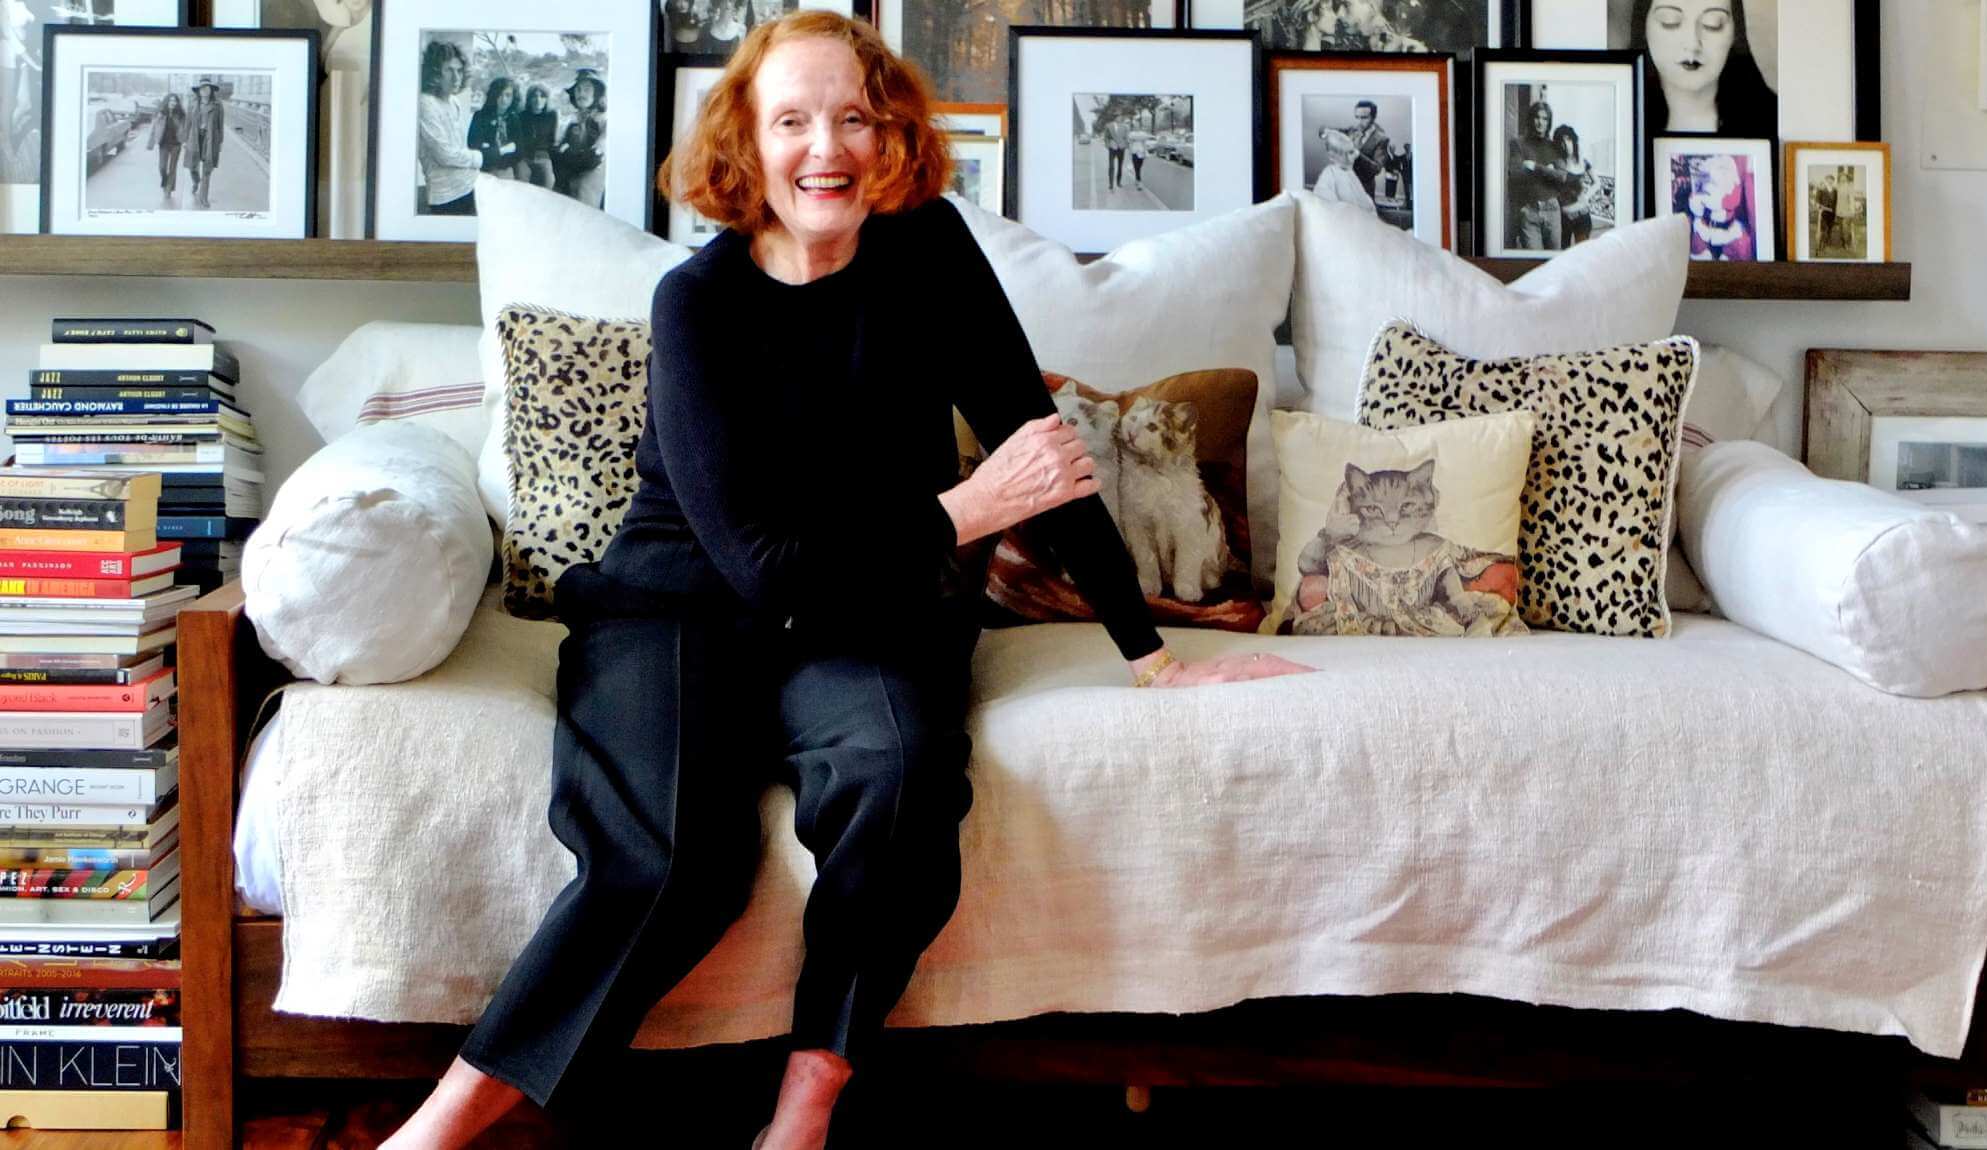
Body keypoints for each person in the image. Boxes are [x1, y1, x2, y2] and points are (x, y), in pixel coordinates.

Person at [375, 13, 1310, 1150]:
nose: (829, 146)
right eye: (793, 120)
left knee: (899, 768)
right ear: (746, 144)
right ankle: (441, 1124)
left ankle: (806, 1101)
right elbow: (766, 566)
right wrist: (967, 512)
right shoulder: (700, 302)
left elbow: (1040, 453)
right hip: (682, 602)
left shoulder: (929, 251)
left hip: (874, 607)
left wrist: (1149, 655)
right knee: (677, 855)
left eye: (855, 116)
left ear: (893, 132)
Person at [1632, 0, 1776, 136]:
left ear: (1736, 33)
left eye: (1713, 23)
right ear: (1643, 27)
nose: (1692, 44)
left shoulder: (1775, 120)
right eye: (1670, 21)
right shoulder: (1621, 119)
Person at [417, 40, 482, 215]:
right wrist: (478, 157)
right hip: (445, 196)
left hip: (470, 185)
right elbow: (445, 155)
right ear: (435, 73)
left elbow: (459, 148)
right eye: (449, 70)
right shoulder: (425, 103)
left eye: (459, 71)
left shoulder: (455, 101)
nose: (456, 77)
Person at [1506, 98, 1574, 251]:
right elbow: (1515, 174)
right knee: (1533, 262)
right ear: (1531, 119)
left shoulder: (1554, 146)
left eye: (1545, 119)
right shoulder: (1518, 144)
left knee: (1554, 262)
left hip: (1552, 210)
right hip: (1529, 211)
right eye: (1537, 117)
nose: (1540, 122)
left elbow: (1562, 177)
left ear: (1549, 122)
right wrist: (1550, 171)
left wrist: (1535, 167)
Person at [555, 67, 607, 209]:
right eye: (578, 90)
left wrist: (571, 154)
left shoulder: (603, 120)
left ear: (596, 93)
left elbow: (596, 155)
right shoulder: (570, 120)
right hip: (569, 177)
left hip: (591, 179)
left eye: (587, 89)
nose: (581, 94)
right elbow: (559, 148)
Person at [467, 77, 521, 180]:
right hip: (484, 169)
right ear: (493, 95)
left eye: (508, 95)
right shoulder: (480, 116)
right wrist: (503, 150)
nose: (503, 99)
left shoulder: (514, 118)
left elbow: (519, 149)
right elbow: (474, 146)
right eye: (499, 95)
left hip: (506, 168)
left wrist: (490, 149)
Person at [1553, 123, 1596, 248]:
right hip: (1563, 218)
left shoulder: (1583, 162)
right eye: (1561, 141)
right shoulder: (1557, 164)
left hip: (1582, 215)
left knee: (1582, 253)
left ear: (1573, 141)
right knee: (1562, 254)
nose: (1566, 145)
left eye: (1568, 140)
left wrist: (1587, 196)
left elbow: (1597, 182)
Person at [1310, 126, 1374, 210]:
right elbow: (1326, 203)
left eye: (1351, 152)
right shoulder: (1330, 175)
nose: (1352, 157)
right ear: (1332, 156)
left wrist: (1368, 207)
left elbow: (1362, 199)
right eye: (1347, 153)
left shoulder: (1349, 173)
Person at [185, 77, 225, 211]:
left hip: (210, 140)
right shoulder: (192, 104)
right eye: (202, 88)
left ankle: (204, 198)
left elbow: (220, 126)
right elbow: (188, 123)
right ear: (199, 91)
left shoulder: (218, 105)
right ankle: (196, 182)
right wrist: (185, 140)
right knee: (192, 167)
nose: (204, 90)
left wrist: (220, 143)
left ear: (211, 90)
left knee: (207, 170)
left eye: (207, 88)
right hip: (195, 139)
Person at [513, 85, 558, 189]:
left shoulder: (551, 115)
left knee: (549, 182)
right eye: (535, 96)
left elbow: (552, 139)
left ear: (546, 99)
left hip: (543, 157)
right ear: (529, 99)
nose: (538, 100)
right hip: (524, 157)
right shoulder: (522, 116)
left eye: (542, 97)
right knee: (521, 181)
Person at [146, 92, 185, 201]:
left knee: (172, 168)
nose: (173, 103)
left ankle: (168, 189)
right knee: (162, 167)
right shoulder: (160, 114)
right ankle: (165, 182)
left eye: (175, 101)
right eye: (171, 100)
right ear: (167, 101)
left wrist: (185, 141)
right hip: (163, 144)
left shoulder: (181, 114)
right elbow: (154, 129)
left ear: (177, 103)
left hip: (176, 144)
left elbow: (185, 129)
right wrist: (150, 143)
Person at [1346, 99, 1390, 196]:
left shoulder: (1382, 139)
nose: (1359, 122)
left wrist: (1358, 155)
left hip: (1364, 191)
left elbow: (1377, 169)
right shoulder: (1353, 131)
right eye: (1357, 117)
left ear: (1374, 117)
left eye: (1364, 118)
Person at [1815, 172, 1839, 254]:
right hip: (1823, 212)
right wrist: (1820, 206)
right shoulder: (1821, 189)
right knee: (1823, 229)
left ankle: (1828, 241)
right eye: (1828, 179)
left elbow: (1836, 202)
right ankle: (1821, 245)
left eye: (1831, 180)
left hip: (1832, 213)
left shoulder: (1835, 191)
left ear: (1833, 181)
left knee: (1829, 228)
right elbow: (1817, 202)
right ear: (1826, 180)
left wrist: (1835, 212)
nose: (1830, 181)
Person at [1105, 113, 1128, 190]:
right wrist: (1109, 145)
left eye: (1121, 117)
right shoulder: (1109, 126)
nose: (1120, 119)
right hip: (1112, 148)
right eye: (1118, 117)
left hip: (1121, 149)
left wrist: (1124, 145)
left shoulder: (1125, 127)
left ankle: (1118, 182)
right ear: (1115, 118)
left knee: (1120, 166)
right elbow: (1106, 137)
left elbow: (1126, 137)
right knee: (1111, 166)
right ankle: (1111, 184)